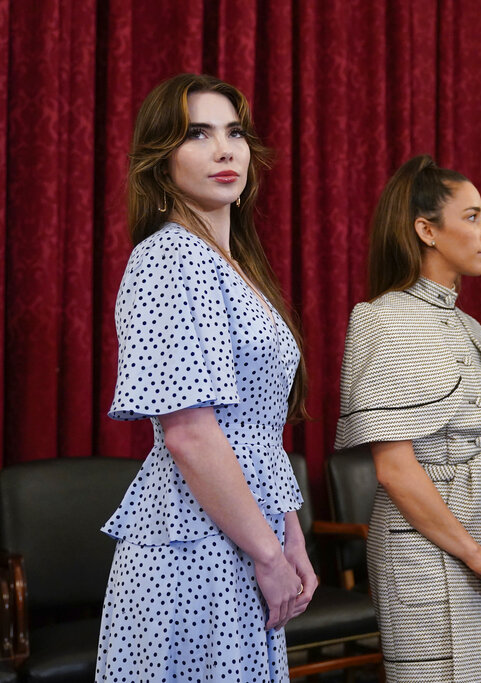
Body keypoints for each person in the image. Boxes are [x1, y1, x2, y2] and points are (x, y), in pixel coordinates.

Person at [97, 74, 316, 682]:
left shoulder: (232, 263)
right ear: (160, 162)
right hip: (192, 544)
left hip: (241, 532)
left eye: (235, 132)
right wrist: (269, 553)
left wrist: (288, 535)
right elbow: (190, 433)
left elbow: (256, 432)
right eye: (198, 134)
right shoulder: (170, 256)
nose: (225, 149)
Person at [334, 155, 481, 682]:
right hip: (421, 547)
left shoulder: (472, 329)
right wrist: (477, 556)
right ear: (426, 230)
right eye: (472, 217)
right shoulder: (378, 319)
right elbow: (395, 471)